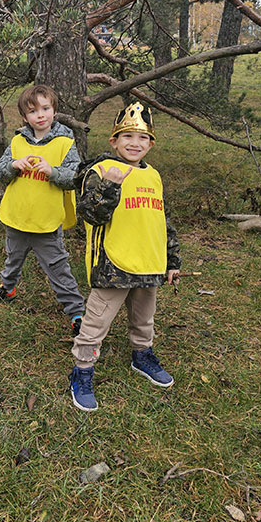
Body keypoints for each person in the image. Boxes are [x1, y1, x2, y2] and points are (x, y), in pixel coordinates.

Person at [68, 103, 181, 412]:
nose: (135, 143)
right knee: (96, 322)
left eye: (142, 138)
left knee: (144, 317)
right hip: (113, 265)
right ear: (114, 141)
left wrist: (171, 260)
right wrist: (111, 186)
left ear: (151, 144)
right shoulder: (101, 171)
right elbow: (92, 215)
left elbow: (162, 221)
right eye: (127, 136)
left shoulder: (153, 176)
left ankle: (141, 355)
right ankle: (82, 370)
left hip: (149, 263)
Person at [0, 84, 85, 332]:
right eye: (33, 111)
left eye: (45, 108)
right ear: (25, 117)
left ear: (54, 110)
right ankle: (7, 289)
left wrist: (52, 172)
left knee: (57, 267)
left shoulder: (64, 142)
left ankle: (76, 312)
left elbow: (75, 177)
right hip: (17, 216)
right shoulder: (18, 141)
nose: (40, 115)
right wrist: (13, 165)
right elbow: (0, 173)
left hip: (46, 221)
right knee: (13, 258)